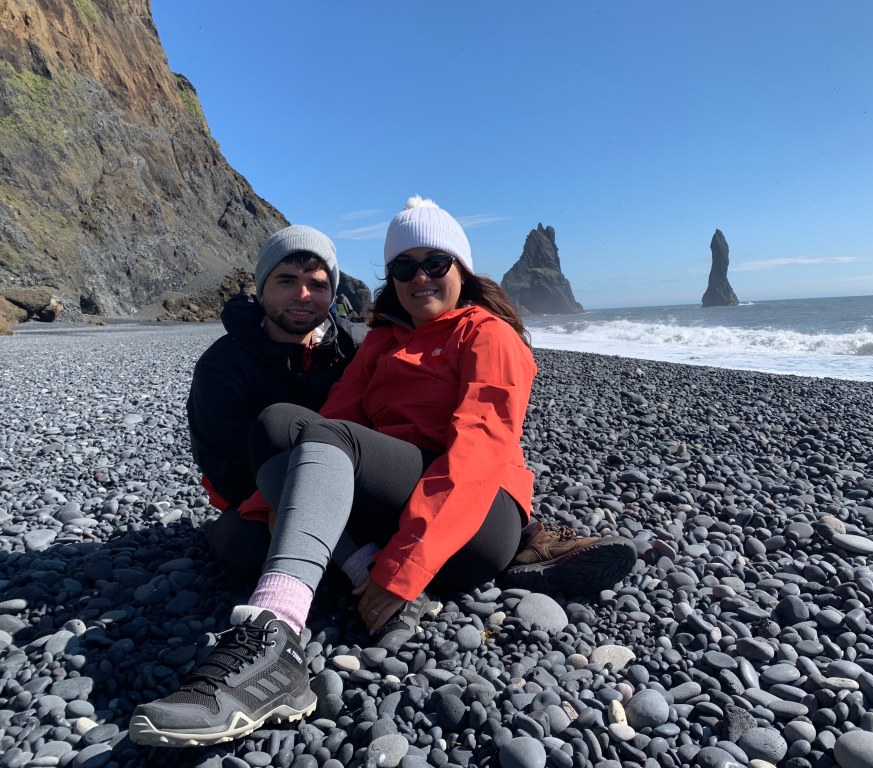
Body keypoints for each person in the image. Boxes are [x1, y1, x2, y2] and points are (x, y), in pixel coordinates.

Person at [130, 197, 636, 747]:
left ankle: (275, 638)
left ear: (460, 269)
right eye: (403, 267)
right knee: (279, 430)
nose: (419, 277)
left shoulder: (487, 334)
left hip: (479, 521)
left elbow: (478, 453)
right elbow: (325, 427)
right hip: (400, 505)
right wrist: (270, 510)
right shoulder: (381, 343)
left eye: (434, 263)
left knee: (314, 444)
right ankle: (357, 567)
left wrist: (403, 568)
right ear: (390, 278)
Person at [186, 224, 367, 579]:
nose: (303, 295)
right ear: (261, 286)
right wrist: (281, 504)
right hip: (264, 496)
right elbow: (223, 461)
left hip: (351, 487)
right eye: (286, 281)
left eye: (317, 284)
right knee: (245, 548)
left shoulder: (358, 349)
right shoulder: (223, 364)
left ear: (332, 294)